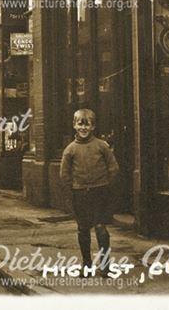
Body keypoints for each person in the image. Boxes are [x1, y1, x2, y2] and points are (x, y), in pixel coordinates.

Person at [60, 108, 119, 277]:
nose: (83, 128)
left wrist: (106, 185)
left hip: (100, 192)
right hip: (80, 193)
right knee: (83, 229)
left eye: (87, 125)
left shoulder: (102, 146)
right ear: (74, 125)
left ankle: (105, 266)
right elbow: (64, 174)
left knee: (100, 227)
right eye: (80, 124)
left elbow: (113, 168)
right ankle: (87, 265)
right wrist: (71, 189)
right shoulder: (70, 150)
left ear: (93, 127)